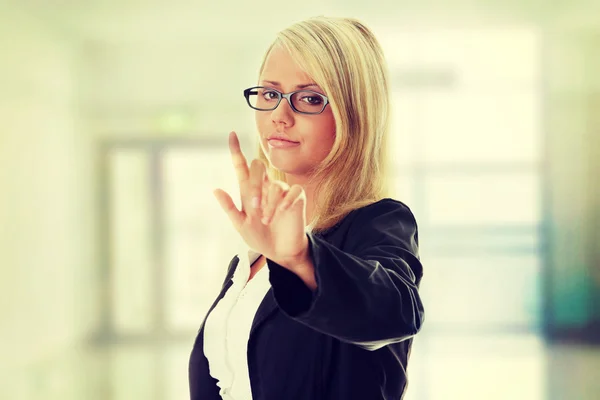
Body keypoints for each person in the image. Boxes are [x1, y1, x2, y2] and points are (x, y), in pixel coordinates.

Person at [188, 16, 424, 400]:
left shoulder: (377, 222)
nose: (279, 115)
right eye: (269, 94)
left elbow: (396, 312)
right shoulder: (251, 255)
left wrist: (299, 258)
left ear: (353, 116)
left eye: (310, 98)